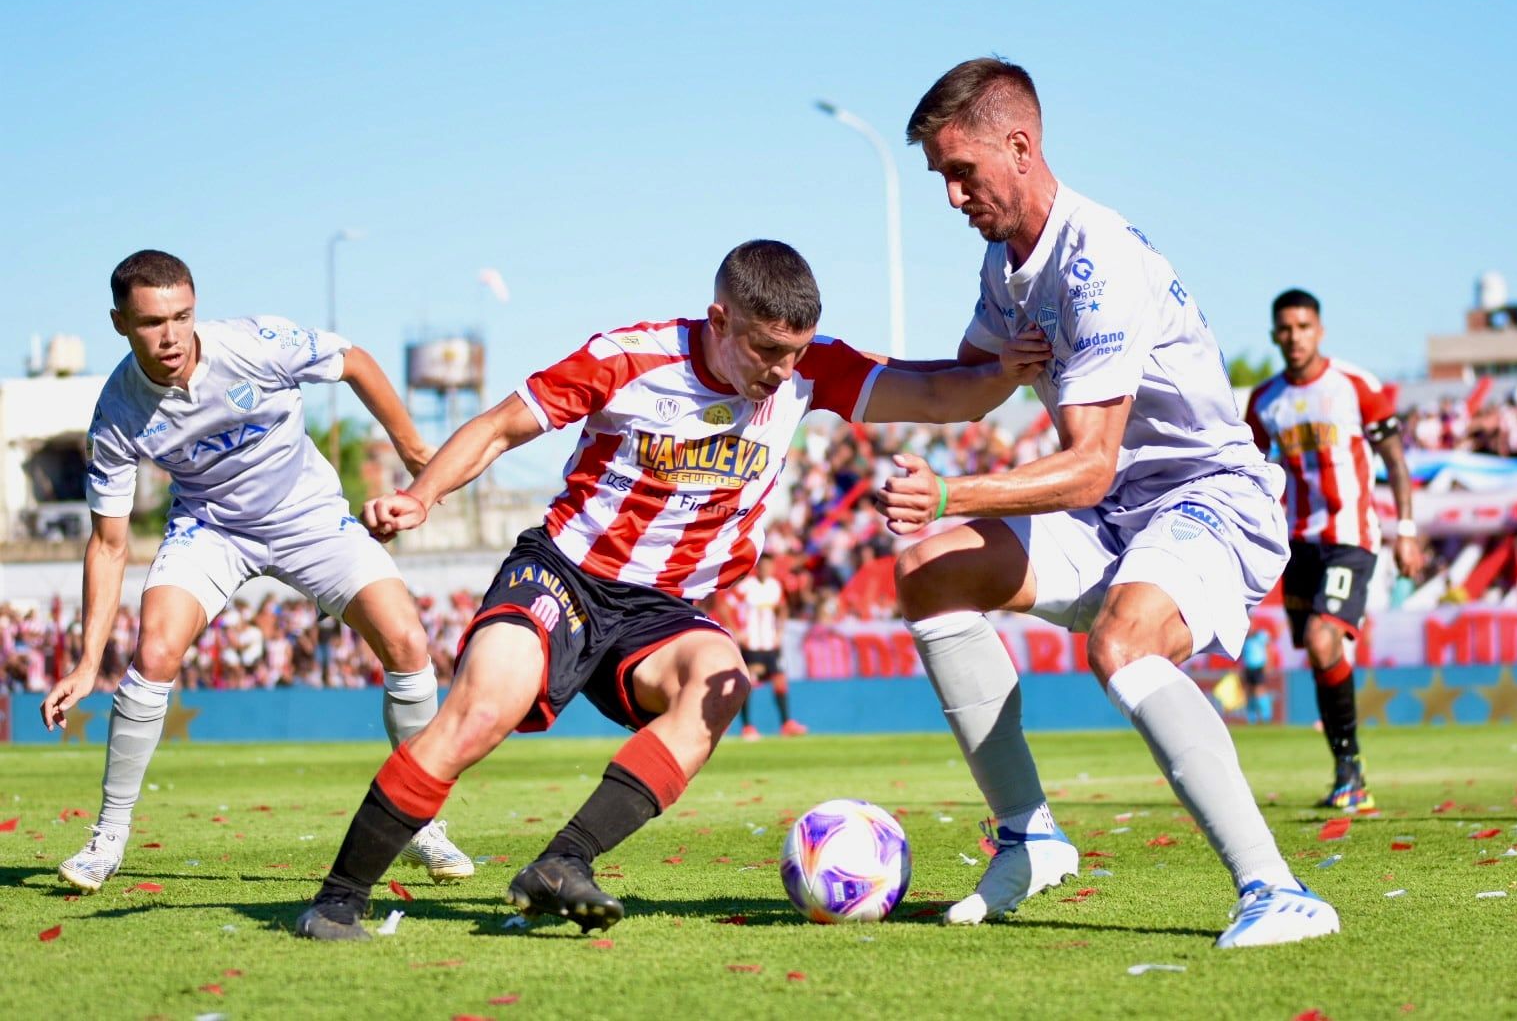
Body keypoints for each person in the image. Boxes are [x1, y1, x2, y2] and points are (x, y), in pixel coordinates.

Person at [295, 239, 1049, 939]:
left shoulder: (811, 371)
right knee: (484, 708)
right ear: (718, 320)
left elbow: (940, 396)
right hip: (564, 573)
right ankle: (338, 898)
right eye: (765, 349)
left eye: (793, 351)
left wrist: (1008, 370)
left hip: (661, 610)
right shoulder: (627, 358)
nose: (781, 371)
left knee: (721, 681)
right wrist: (421, 496)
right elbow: (498, 427)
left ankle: (564, 862)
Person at [877, 58, 1339, 947]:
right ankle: (1029, 838)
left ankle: (1279, 891)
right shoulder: (1005, 261)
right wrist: (817, 379)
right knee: (929, 572)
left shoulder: (1097, 262)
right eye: (940, 177)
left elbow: (1087, 466)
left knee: (1122, 641)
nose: (952, 196)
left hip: (1209, 496)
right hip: (1115, 510)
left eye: (961, 172)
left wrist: (949, 493)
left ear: (1021, 147)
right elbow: (966, 385)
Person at [42, 249, 473, 892]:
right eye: (152, 322)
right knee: (154, 653)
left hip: (308, 516)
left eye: (182, 316)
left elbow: (354, 361)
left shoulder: (256, 343)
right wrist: (85, 663)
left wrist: (414, 452)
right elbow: (108, 545)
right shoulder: (117, 415)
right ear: (119, 323)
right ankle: (107, 836)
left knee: (408, 642)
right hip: (211, 529)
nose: (171, 336)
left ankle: (422, 824)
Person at [1245, 289, 1420, 810]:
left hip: (1350, 538)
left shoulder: (1355, 386)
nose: (1294, 337)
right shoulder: (1265, 401)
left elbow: (1396, 461)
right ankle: (1346, 771)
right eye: (1285, 328)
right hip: (1297, 545)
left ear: (1319, 330)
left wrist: (1406, 529)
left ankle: (1351, 771)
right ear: (1274, 335)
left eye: (1303, 327)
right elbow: (1250, 472)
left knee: (1324, 641)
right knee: (1317, 654)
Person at [733, 554, 802, 740]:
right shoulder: (746, 587)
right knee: (748, 683)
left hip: (770, 642)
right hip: (752, 643)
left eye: (768, 567)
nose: (765, 570)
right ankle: (747, 727)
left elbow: (783, 608)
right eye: (762, 566)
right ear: (757, 568)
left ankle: (786, 724)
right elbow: (725, 605)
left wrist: (780, 630)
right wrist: (737, 630)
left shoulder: (775, 586)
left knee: (780, 680)